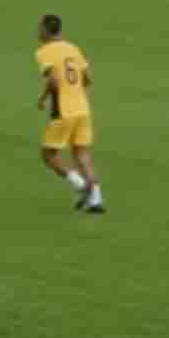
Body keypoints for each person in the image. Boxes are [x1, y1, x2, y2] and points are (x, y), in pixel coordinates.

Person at [36, 14, 105, 211]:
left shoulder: (45, 51)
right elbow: (88, 78)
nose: (37, 32)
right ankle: (97, 200)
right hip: (82, 108)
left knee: (49, 155)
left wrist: (42, 99)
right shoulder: (73, 48)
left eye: (39, 29)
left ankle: (82, 185)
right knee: (82, 153)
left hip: (63, 110)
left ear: (46, 31)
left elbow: (53, 81)